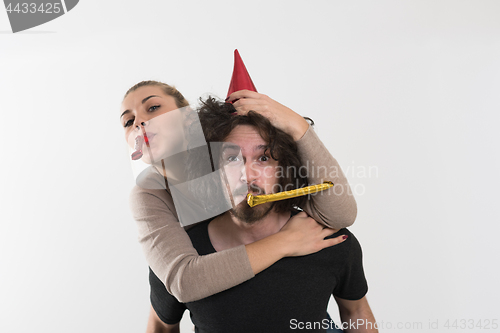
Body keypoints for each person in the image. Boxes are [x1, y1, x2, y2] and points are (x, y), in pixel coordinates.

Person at [147, 98, 377, 333]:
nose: (248, 175)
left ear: (284, 169)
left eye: (264, 158)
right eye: (231, 159)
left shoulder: (328, 239)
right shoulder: (180, 252)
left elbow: (356, 313)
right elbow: (161, 326)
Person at [121, 81, 358, 304]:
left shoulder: (233, 153)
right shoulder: (149, 193)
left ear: (189, 118)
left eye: (152, 108)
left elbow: (339, 214)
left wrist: (297, 125)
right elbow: (184, 282)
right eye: (128, 121)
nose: (139, 123)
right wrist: (287, 241)